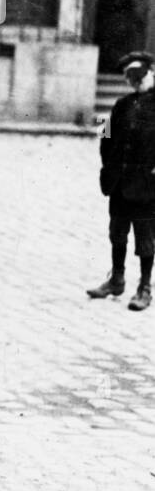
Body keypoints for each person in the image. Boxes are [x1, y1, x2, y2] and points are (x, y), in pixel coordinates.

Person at [89, 51, 155, 311]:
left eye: (139, 76)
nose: (135, 82)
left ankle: (145, 287)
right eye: (130, 78)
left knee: (145, 238)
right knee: (117, 233)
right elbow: (104, 132)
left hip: (147, 186)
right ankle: (116, 279)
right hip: (119, 182)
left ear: (151, 72)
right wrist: (107, 162)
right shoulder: (121, 104)